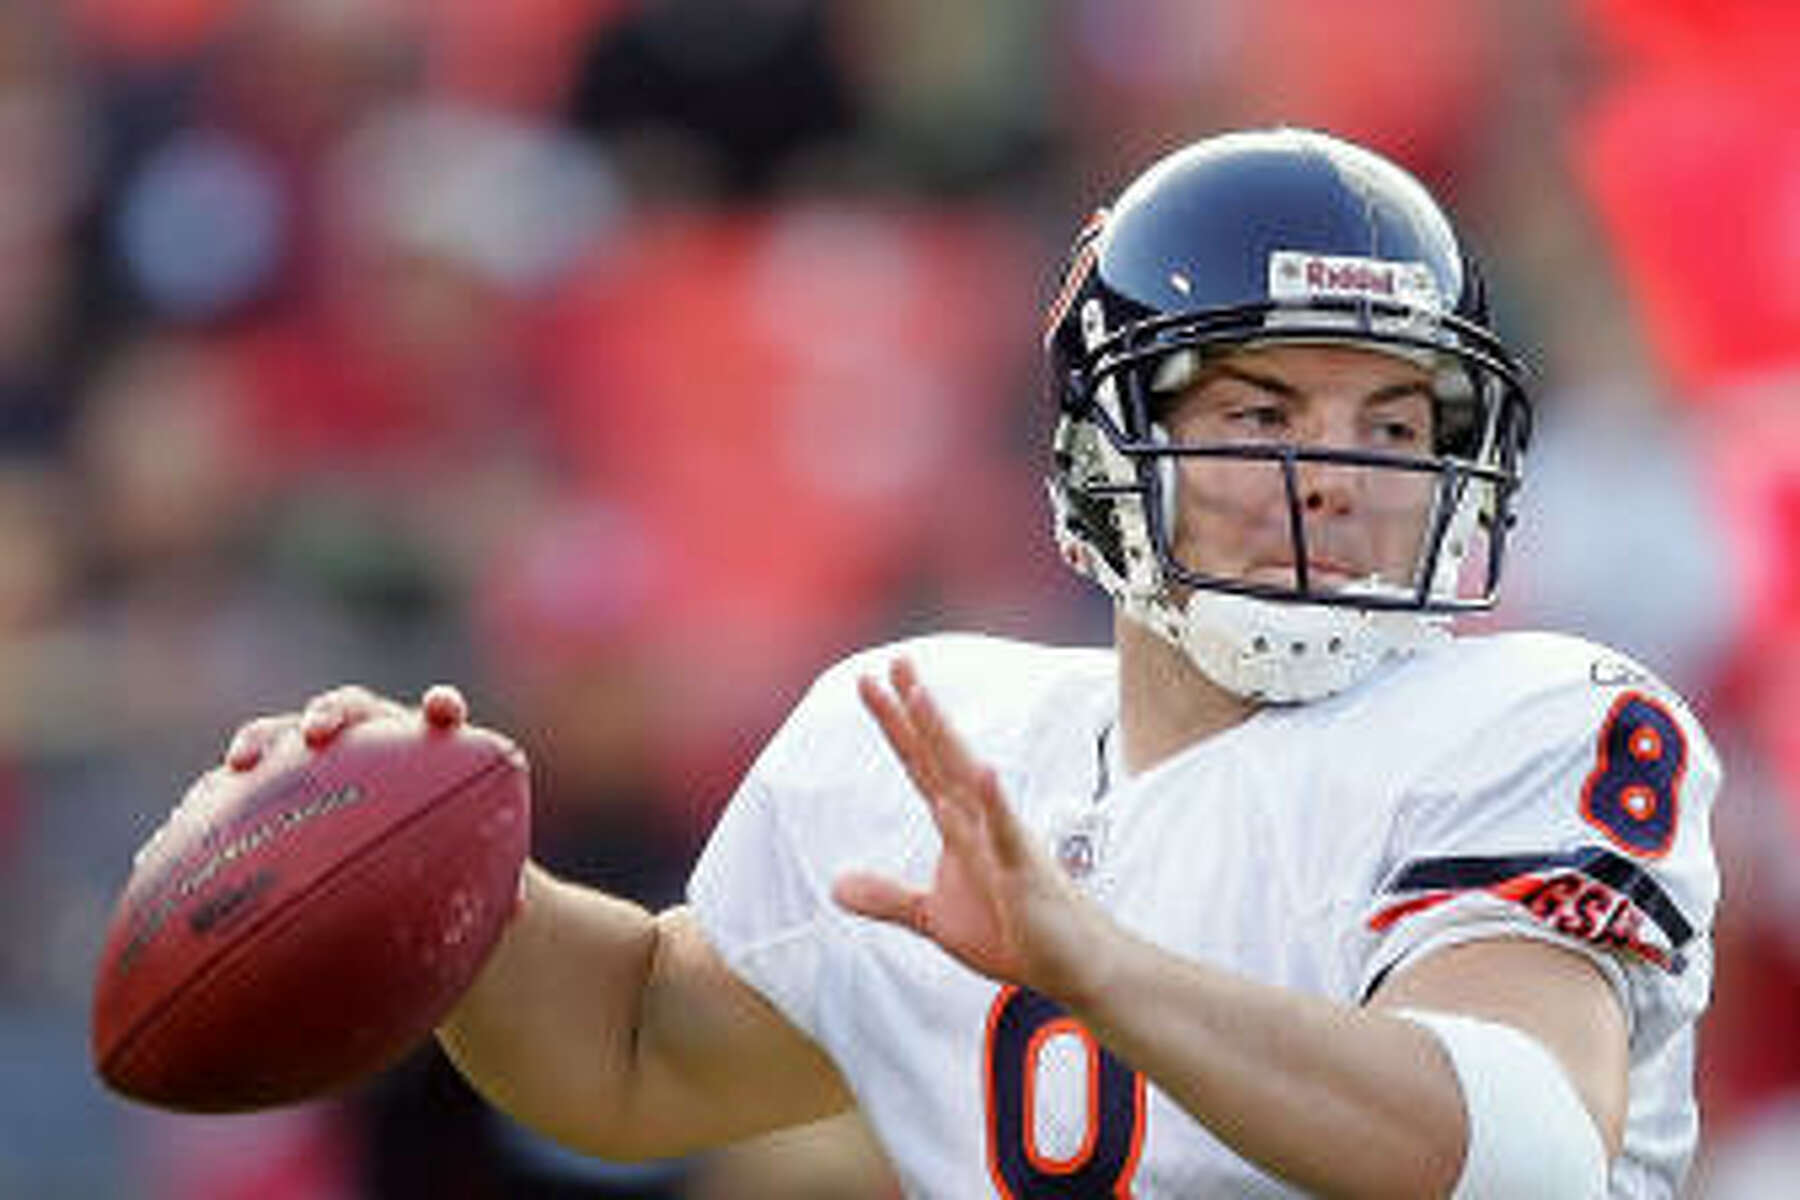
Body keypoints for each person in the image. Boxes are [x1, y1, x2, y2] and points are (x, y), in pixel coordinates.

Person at [218, 128, 1719, 1197]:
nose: (1336, 475)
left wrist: (1095, 963)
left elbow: (1520, 1153)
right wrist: (424, 854)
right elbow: (631, 1056)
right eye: (1263, 414)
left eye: (1394, 426)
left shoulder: (1533, 719)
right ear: (1105, 457)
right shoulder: (934, 735)